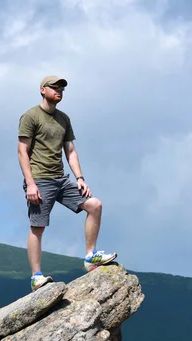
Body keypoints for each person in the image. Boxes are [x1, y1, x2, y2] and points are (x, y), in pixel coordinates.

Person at [17, 75, 117, 292]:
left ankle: (91, 256)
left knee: (95, 205)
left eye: (62, 88)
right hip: (40, 179)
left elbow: (70, 151)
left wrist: (80, 178)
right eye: (54, 87)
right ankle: (36, 277)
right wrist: (31, 184)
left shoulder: (64, 118)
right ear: (43, 90)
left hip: (61, 179)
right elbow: (22, 151)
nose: (59, 91)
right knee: (38, 226)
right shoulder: (30, 116)